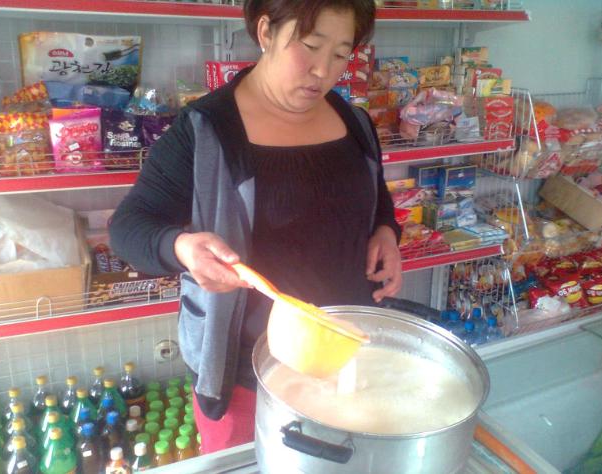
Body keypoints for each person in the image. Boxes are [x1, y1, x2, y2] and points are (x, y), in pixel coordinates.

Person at [109, 0, 402, 455]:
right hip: (249, 373)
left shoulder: (354, 121)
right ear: (266, 32)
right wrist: (182, 247)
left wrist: (386, 230)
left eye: (341, 54)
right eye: (310, 47)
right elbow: (128, 227)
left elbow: (374, 195)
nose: (323, 71)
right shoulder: (206, 129)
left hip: (345, 358)